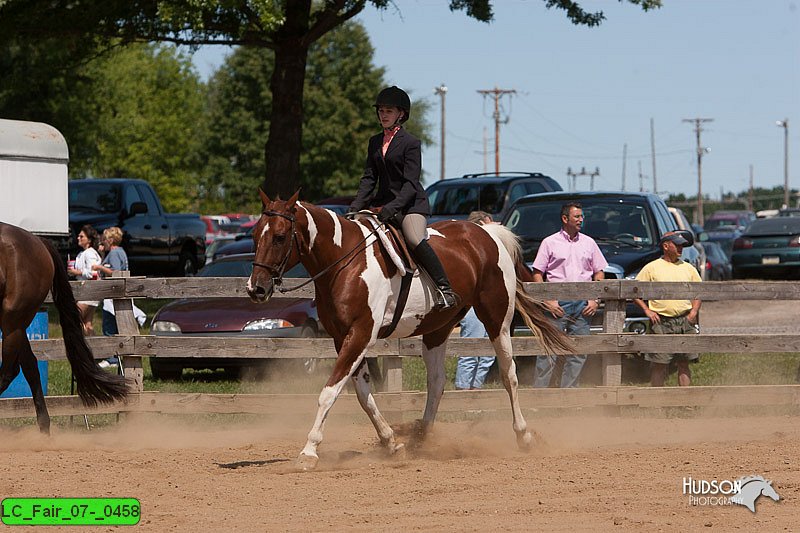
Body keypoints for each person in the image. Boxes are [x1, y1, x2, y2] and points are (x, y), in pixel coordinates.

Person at [348, 85, 459, 310]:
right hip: (382, 205)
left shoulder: (411, 143)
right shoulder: (374, 142)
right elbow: (369, 179)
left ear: (401, 114)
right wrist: (355, 208)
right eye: (381, 110)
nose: (383, 115)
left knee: (413, 238)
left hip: (410, 205)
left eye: (388, 111)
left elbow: (410, 183)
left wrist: (393, 207)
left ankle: (444, 288)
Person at [532, 202, 608, 388]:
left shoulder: (589, 242)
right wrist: (547, 300)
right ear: (565, 219)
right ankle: (538, 397)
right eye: (577, 216)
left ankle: (569, 397)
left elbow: (599, 272)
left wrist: (594, 299)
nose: (581, 220)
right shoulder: (549, 242)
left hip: (583, 304)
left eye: (582, 216)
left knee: (579, 352)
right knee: (549, 350)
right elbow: (537, 272)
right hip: (557, 303)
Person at [633, 231, 702, 387]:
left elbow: (699, 292)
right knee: (659, 364)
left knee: (684, 363)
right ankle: (657, 403)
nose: (681, 248)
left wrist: (693, 312)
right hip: (661, 321)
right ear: (665, 246)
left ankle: (686, 402)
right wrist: (647, 310)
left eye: (682, 245)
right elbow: (634, 291)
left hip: (685, 320)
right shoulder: (652, 268)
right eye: (677, 245)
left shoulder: (688, 268)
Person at [454, 211, 497, 390]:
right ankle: (463, 390)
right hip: (473, 302)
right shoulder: (466, 249)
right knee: (471, 348)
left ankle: (475, 389)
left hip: (487, 300)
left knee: (489, 352)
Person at [92, 227, 130, 368]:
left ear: (111, 240)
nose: (103, 241)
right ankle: (117, 356)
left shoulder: (114, 253)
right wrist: (102, 255)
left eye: (105, 239)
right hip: (117, 294)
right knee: (117, 326)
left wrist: (99, 268)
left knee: (109, 327)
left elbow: (114, 271)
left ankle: (112, 358)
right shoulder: (119, 252)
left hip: (112, 295)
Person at [67, 224, 102, 336]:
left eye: (82, 236)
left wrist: (76, 272)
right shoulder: (83, 253)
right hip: (91, 291)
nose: (78, 238)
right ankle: (93, 349)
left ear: (89, 240)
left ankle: (82, 347)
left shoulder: (89, 253)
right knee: (87, 324)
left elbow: (93, 272)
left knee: (73, 317)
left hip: (89, 291)